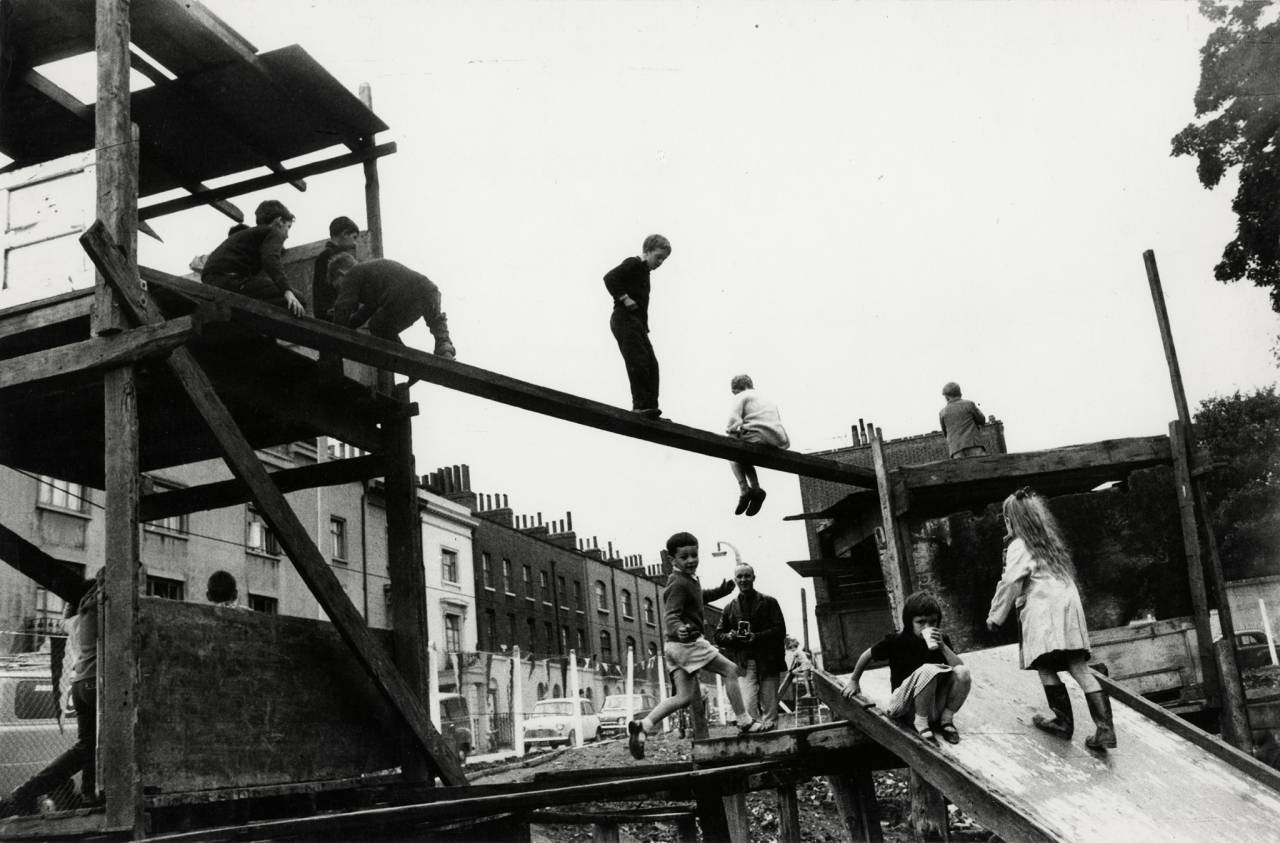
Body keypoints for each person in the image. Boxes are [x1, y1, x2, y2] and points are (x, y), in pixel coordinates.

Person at [986, 487, 1116, 750]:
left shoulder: (1019, 544)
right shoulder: (1048, 542)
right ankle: (1105, 730)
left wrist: (995, 616)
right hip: (1068, 608)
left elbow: (1011, 580)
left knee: (1044, 665)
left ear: (1011, 519)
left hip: (1045, 610)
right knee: (1078, 667)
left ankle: (1062, 722)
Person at [627, 532, 768, 759]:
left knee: (683, 697)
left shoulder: (689, 579)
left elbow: (697, 597)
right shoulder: (677, 583)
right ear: (672, 560)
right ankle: (744, 720)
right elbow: (671, 614)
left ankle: (644, 725)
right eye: (685, 557)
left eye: (694, 554)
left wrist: (720, 591)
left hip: (673, 649)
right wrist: (678, 628)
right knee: (731, 670)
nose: (691, 560)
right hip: (687, 643)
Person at [0, 570, 102, 817]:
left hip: (79, 683)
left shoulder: (74, 622)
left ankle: (88, 794)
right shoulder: (95, 615)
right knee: (92, 746)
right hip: (95, 680)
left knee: (89, 746)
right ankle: (33, 789)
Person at [841, 591, 971, 744]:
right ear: (910, 623)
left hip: (932, 703)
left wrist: (943, 647)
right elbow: (866, 655)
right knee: (928, 670)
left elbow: (959, 670)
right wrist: (854, 680)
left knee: (963, 672)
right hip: (905, 707)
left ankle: (946, 720)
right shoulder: (897, 641)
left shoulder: (942, 640)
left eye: (932, 622)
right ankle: (921, 723)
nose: (927, 627)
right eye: (921, 622)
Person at [603, 234, 671, 420]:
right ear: (647, 251)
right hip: (624, 319)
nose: (660, 262)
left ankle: (650, 409)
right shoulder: (634, 263)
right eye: (658, 256)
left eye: (664, 259)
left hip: (637, 324)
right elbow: (610, 277)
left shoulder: (644, 272)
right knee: (638, 361)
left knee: (652, 365)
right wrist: (624, 298)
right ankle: (640, 407)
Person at [332, 258, 456, 358]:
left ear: (341, 273)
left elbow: (343, 306)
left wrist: (335, 334)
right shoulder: (372, 276)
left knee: (378, 326)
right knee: (434, 320)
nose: (341, 291)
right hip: (428, 289)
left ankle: (406, 358)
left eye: (338, 287)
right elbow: (365, 312)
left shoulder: (352, 273)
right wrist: (350, 325)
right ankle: (444, 347)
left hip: (404, 295)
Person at [201, 199, 305, 317]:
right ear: (280, 221)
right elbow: (270, 259)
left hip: (212, 281)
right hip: (230, 280)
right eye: (288, 227)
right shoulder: (274, 232)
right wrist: (287, 291)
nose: (287, 235)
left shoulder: (252, 235)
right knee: (299, 300)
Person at [714, 563, 786, 730]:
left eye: (747, 576)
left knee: (770, 708)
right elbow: (718, 636)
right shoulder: (729, 608)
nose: (743, 579)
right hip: (745, 663)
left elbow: (780, 630)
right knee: (748, 705)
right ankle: (756, 743)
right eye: (739, 576)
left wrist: (756, 637)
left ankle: (773, 742)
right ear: (735, 580)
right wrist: (731, 636)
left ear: (754, 577)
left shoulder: (769, 602)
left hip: (768, 660)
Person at [725, 374, 789, 516]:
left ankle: (744, 489)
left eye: (733, 392)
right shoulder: (768, 399)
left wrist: (730, 431)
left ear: (737, 389)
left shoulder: (741, 396)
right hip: (776, 440)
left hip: (757, 436)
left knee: (730, 450)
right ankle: (756, 489)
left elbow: (733, 420)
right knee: (744, 457)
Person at [312, 216, 360, 321]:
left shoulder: (325, 255)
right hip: (331, 314)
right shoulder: (330, 256)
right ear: (345, 234)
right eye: (354, 237)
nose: (355, 243)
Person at [938, 382, 986, 458]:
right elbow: (982, 420)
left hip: (956, 450)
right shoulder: (969, 404)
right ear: (959, 393)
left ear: (946, 397)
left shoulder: (942, 412)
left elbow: (945, 433)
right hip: (974, 445)